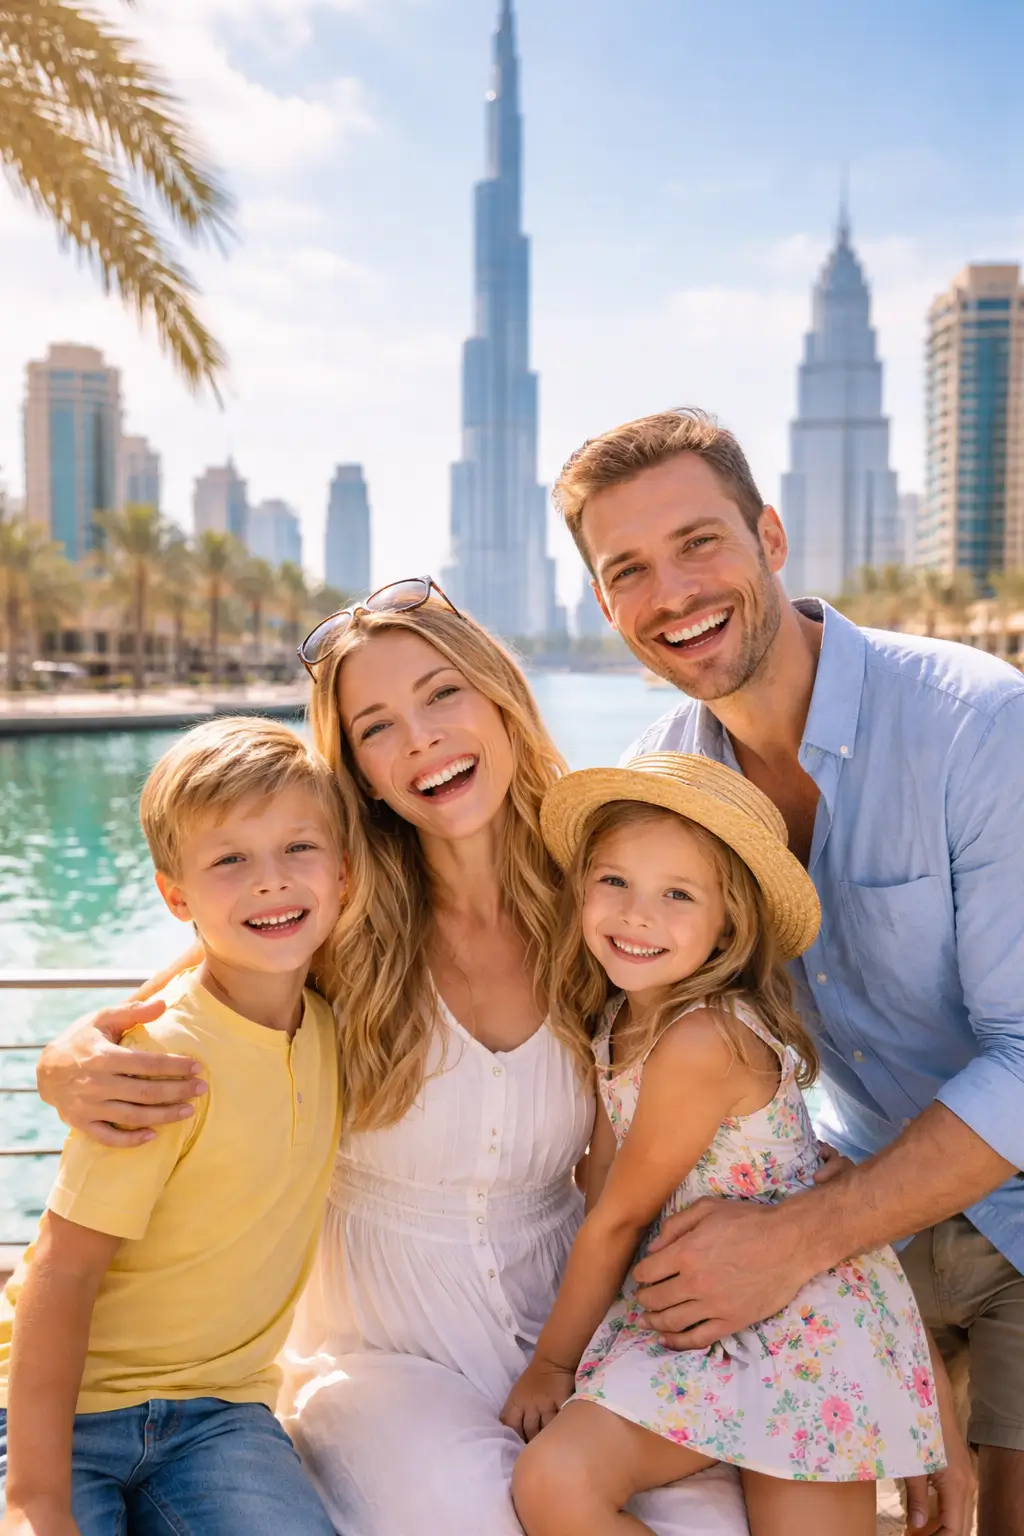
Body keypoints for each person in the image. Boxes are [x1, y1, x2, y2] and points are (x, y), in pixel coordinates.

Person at [35, 590, 748, 1536]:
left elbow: (739, 1052)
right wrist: (64, 1057)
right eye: (377, 727)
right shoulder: (330, 912)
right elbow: (190, 987)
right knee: (476, 1518)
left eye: (442, 694)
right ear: (359, 772)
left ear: (500, 701)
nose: (420, 740)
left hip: (575, 1321)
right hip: (384, 1351)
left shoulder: (599, 900)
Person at [553, 405, 1023, 1534]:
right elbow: (499, 932)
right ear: (606, 605)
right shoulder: (664, 783)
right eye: (629, 570)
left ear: (767, 536)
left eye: (698, 543)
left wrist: (798, 1241)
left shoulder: (979, 730)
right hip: (863, 1221)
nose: (671, 592)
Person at [502, 752, 946, 1536]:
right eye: (615, 882)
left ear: (728, 925)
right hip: (686, 1318)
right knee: (554, 1483)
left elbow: (615, 1222)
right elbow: (598, 1192)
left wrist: (552, 1364)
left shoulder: (702, 1041)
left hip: (803, 1327)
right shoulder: (615, 1024)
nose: (639, 915)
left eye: (678, 894)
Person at [0, 717, 346, 1536]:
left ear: (344, 871)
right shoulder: (155, 1063)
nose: (270, 881)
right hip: (63, 1416)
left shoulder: (336, 1027)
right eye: (230, 859)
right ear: (176, 895)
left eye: (298, 849)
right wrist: (34, 1498)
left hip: (221, 1419)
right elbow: (62, 1272)